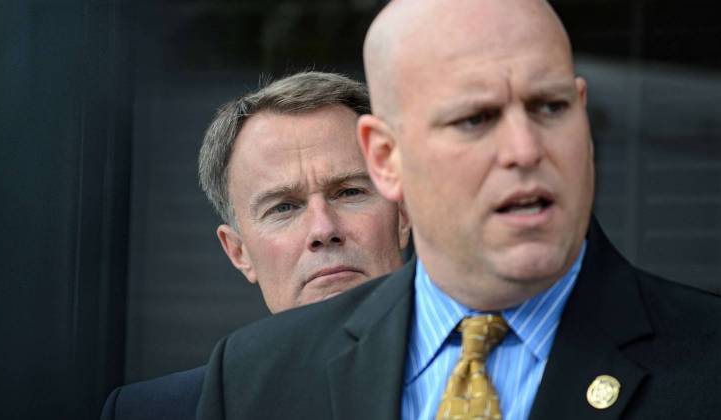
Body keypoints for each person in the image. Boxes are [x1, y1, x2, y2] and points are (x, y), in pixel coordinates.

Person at [196, 1, 721, 419]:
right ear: (386, 158)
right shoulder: (255, 377)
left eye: (550, 107)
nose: (525, 148)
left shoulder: (707, 361)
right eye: (475, 119)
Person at [100, 71, 411, 420]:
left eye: (349, 192)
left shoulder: (475, 369)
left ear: (402, 213)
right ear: (238, 252)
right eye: (284, 207)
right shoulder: (151, 414)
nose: (323, 230)